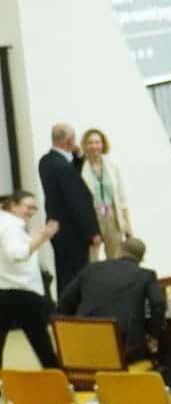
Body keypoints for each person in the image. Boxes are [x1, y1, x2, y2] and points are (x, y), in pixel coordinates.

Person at [57, 235, 165, 361]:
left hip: (84, 349)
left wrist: (72, 329)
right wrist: (153, 333)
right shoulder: (146, 275)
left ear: (118, 251)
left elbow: (65, 301)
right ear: (141, 259)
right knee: (159, 357)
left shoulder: (92, 268)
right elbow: (158, 304)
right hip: (124, 351)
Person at [38, 122, 100, 295]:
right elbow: (78, 202)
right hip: (73, 231)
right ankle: (77, 315)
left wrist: (78, 157)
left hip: (57, 228)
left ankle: (65, 313)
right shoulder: (63, 167)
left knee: (64, 273)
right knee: (77, 275)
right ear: (70, 140)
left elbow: (70, 179)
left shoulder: (46, 161)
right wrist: (92, 231)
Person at [0, 192, 60, 368]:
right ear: (13, 206)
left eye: (35, 207)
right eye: (28, 206)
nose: (32, 211)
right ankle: (59, 384)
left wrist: (36, 237)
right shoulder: (12, 226)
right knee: (42, 343)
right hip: (22, 293)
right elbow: (16, 254)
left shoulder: (5, 224)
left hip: (3, 290)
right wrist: (43, 237)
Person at [79, 128, 132, 261]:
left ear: (103, 144)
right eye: (90, 142)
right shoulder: (79, 168)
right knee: (92, 259)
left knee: (116, 258)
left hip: (112, 217)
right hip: (92, 218)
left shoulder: (112, 166)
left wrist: (128, 225)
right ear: (85, 145)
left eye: (97, 142)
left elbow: (121, 198)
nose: (94, 146)